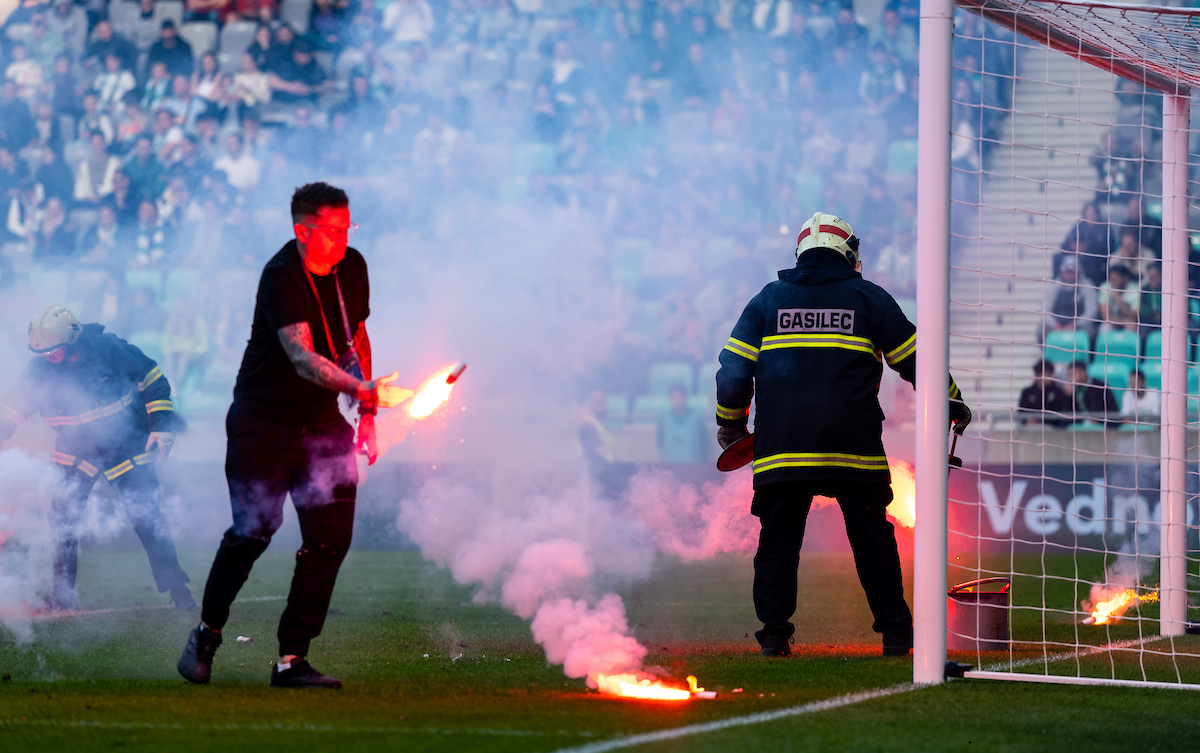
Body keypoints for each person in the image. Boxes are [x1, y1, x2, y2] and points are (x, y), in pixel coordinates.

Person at [178, 183, 411, 689]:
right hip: (263, 423)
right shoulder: (280, 275)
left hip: (322, 423)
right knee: (253, 531)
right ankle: (206, 633)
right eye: (332, 230)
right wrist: (359, 388)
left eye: (348, 227)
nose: (343, 239)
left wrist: (367, 411)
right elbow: (303, 358)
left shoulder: (353, 266)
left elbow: (356, 338)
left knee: (331, 537)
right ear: (302, 231)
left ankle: (291, 658)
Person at [715, 212, 972, 658]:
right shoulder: (868, 297)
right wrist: (951, 400)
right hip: (852, 445)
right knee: (872, 539)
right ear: (849, 254)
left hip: (783, 447)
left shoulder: (769, 300)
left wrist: (732, 424)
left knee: (778, 543)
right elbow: (917, 360)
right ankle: (897, 636)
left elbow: (733, 371)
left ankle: (774, 637)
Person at [0, 305, 193, 611]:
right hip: (76, 448)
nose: (48, 357)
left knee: (146, 516)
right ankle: (63, 596)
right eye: (43, 352)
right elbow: (11, 412)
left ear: (71, 341)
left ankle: (178, 590)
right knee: (62, 518)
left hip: (126, 442)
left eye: (53, 351)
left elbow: (154, 379)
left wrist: (161, 427)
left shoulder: (109, 349)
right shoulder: (40, 370)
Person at [1040, 255, 1098, 342]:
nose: (1070, 275)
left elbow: (1091, 311)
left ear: (1079, 272)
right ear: (1062, 272)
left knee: (1091, 331)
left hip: (1079, 325)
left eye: (1073, 272)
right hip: (1058, 324)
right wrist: (1055, 324)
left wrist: (1076, 325)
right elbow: (1045, 310)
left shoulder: (1087, 286)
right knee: (1041, 330)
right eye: (1067, 272)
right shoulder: (1054, 286)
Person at [657, 384, 708, 463]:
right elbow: (660, 441)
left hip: (693, 464)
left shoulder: (696, 418)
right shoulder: (664, 418)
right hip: (670, 464)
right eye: (675, 397)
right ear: (670, 398)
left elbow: (705, 443)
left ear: (685, 398)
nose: (678, 401)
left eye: (680, 397)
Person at [1018, 358, 1071, 427]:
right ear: (1038, 375)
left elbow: (1059, 413)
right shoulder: (1027, 392)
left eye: (1051, 373)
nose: (1051, 376)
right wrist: (1028, 420)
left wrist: (1040, 421)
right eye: (1048, 374)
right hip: (1029, 426)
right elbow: (1021, 412)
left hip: (1051, 427)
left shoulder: (1057, 392)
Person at [1066, 360, 1118, 426]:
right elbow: (1069, 413)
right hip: (1080, 423)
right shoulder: (1073, 389)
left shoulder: (1099, 386)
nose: (1070, 378)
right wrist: (1069, 396)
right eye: (1068, 375)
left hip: (1103, 422)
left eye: (1072, 375)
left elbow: (1105, 410)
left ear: (1083, 374)